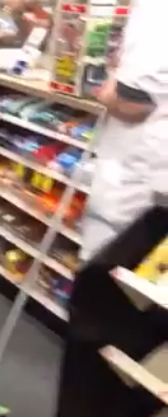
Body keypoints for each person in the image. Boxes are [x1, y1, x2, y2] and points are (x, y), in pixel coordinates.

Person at [80, 0, 168, 260]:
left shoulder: (155, 9)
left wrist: (107, 88)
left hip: (137, 183)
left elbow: (131, 103)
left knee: (110, 269)